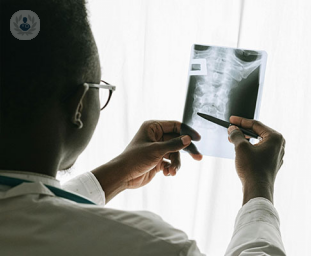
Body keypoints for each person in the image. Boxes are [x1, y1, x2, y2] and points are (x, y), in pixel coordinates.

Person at [0, 0, 286, 255]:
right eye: (101, 89)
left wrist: (117, 175)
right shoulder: (150, 245)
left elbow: (28, 214)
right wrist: (259, 185)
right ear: (79, 106)